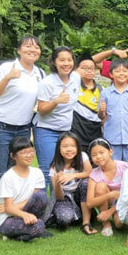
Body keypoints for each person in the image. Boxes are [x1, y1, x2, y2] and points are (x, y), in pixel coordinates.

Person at [0, 35, 45, 209]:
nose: (32, 50)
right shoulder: (7, 68)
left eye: (36, 47)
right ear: (18, 50)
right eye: (28, 46)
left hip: (23, 128)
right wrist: (8, 78)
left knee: (16, 170)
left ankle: (13, 207)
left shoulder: (39, 73)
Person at [33, 46, 81, 190]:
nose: (66, 63)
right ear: (54, 62)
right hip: (46, 130)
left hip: (65, 131)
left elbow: (91, 62)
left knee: (62, 170)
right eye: (62, 60)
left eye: (69, 59)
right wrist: (55, 101)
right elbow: (41, 110)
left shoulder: (76, 77)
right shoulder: (46, 83)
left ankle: (58, 208)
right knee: (48, 171)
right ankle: (41, 208)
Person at [0, 136, 51, 241]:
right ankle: (16, 233)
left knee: (42, 196)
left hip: (21, 211)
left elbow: (35, 199)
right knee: (39, 226)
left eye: (31, 151)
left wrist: (13, 208)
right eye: (23, 152)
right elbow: (9, 209)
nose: (29, 155)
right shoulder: (8, 177)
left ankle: (22, 232)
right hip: (5, 218)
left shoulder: (37, 173)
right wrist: (22, 214)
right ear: (13, 156)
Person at [45, 132, 94, 233]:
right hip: (65, 198)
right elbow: (59, 197)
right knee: (64, 219)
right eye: (65, 146)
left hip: (79, 195)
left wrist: (73, 175)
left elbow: (90, 173)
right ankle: (65, 215)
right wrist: (58, 183)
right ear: (59, 148)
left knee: (86, 183)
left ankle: (85, 222)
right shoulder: (54, 167)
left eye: (73, 146)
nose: (69, 149)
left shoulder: (82, 156)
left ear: (78, 147)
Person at [98, 59, 128, 161]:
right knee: (114, 166)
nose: (121, 74)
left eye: (124, 71)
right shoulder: (105, 93)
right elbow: (101, 116)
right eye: (118, 71)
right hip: (112, 136)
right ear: (111, 74)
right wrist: (102, 111)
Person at [86, 138, 128, 237]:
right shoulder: (94, 174)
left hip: (125, 202)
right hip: (108, 202)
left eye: (102, 152)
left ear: (110, 152)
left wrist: (111, 211)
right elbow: (89, 203)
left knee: (119, 224)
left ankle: (114, 216)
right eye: (94, 155)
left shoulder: (125, 167)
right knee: (100, 186)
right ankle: (106, 224)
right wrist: (111, 194)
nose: (98, 157)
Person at [70, 54, 103, 153]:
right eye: (84, 68)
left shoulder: (101, 89)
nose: (89, 71)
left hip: (95, 132)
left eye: (92, 68)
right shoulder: (72, 86)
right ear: (76, 70)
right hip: (76, 132)